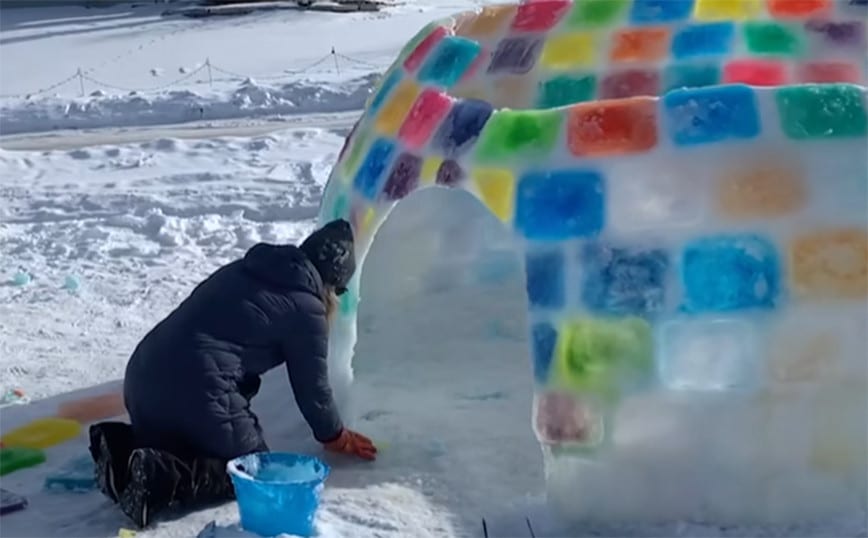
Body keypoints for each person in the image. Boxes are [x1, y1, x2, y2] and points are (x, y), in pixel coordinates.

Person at [88, 219, 377, 528]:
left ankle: (122, 448)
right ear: (333, 284)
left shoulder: (245, 270)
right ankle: (159, 480)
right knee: (250, 472)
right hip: (196, 388)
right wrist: (335, 435)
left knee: (192, 438)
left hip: (141, 378)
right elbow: (313, 388)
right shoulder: (307, 308)